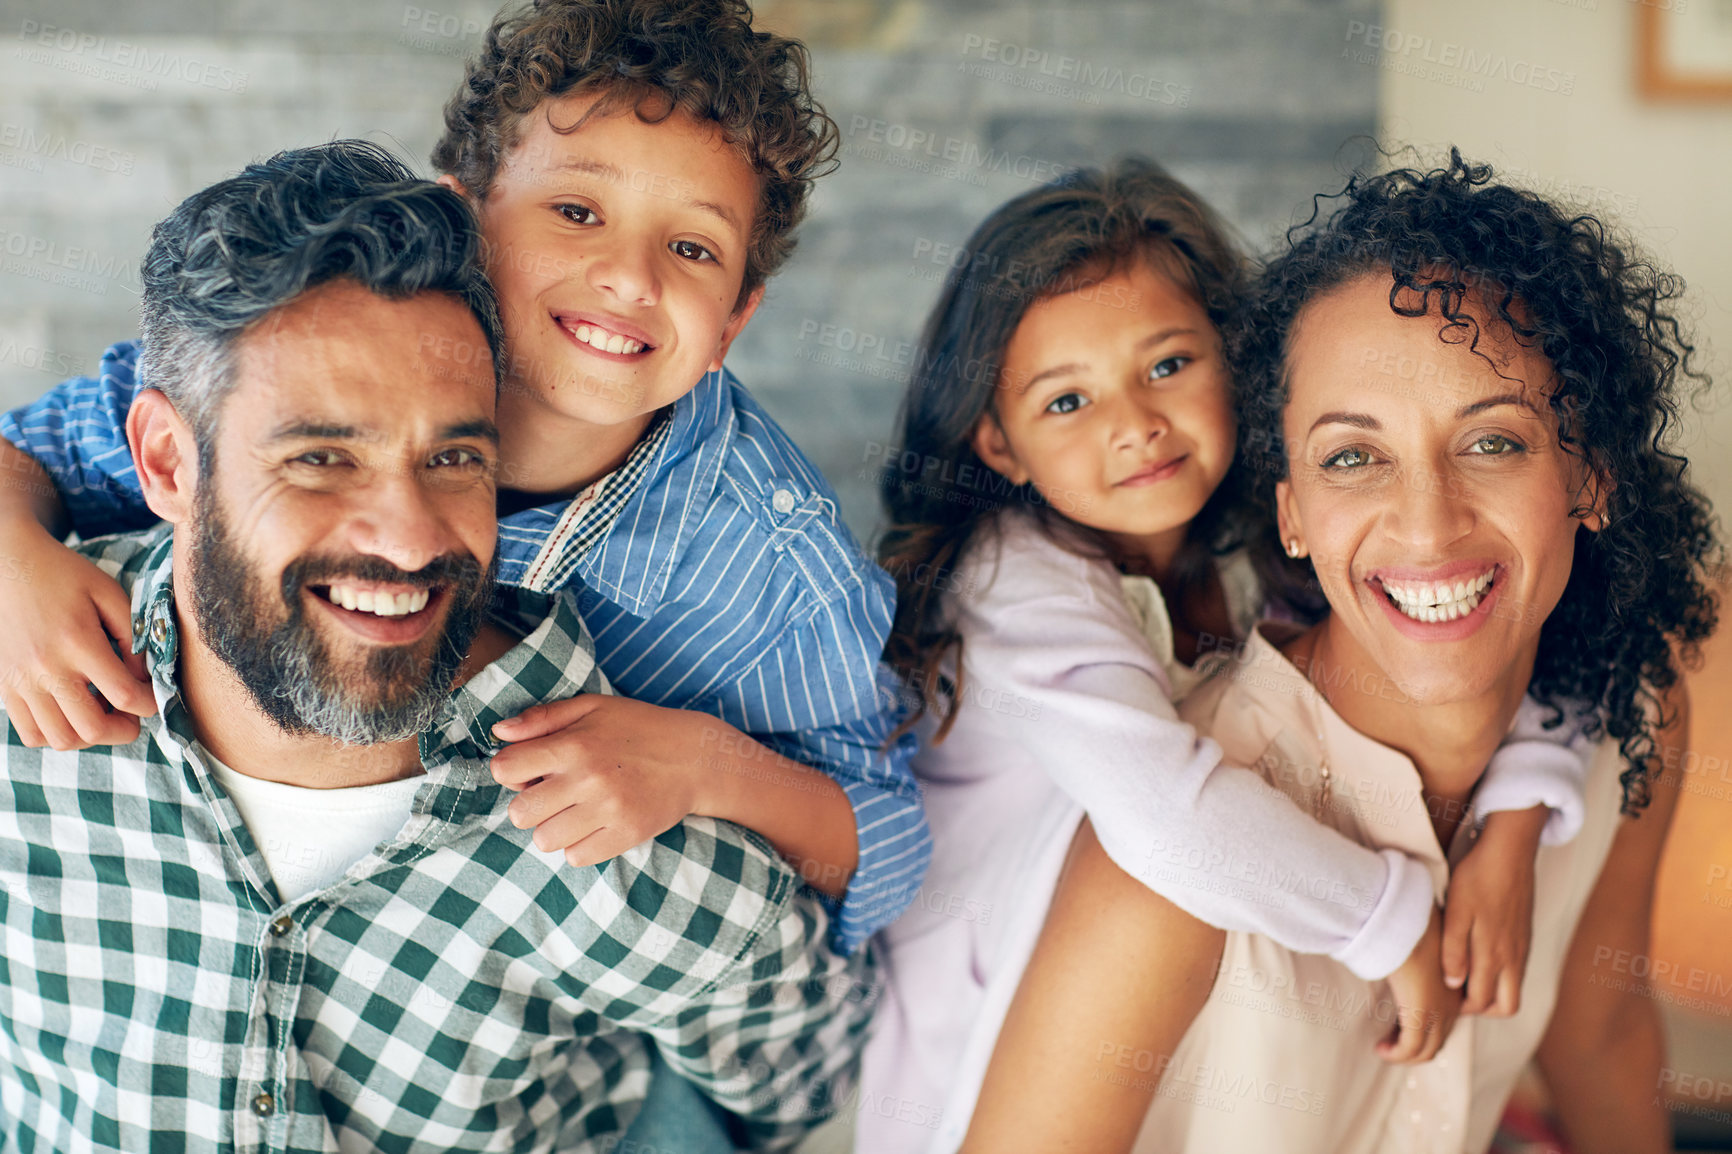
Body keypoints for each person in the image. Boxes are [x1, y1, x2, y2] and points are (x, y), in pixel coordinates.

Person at [0, 140, 871, 1152]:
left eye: (455, 457)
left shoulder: (631, 855)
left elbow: (799, 1083)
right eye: (323, 457)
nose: (410, 537)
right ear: (163, 459)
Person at [961, 152, 1720, 1154]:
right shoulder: (1172, 850)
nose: (1426, 523)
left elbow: (1600, 1031)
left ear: (1591, 476)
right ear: (1292, 515)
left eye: (1492, 440)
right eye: (1351, 456)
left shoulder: (1633, 715)